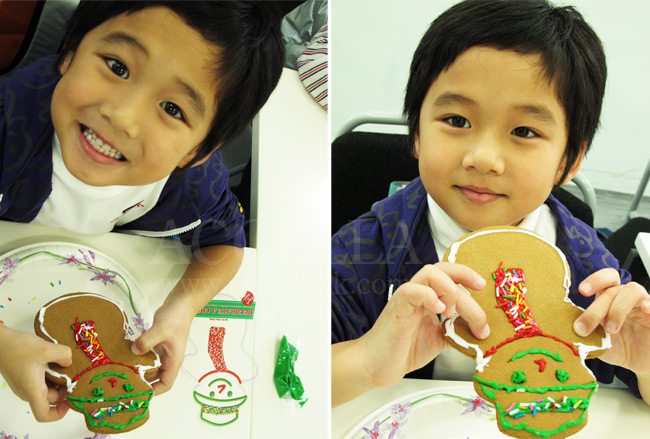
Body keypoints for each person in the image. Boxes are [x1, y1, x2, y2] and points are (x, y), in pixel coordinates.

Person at [331, 0, 650, 407]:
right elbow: (294, 375)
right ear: (415, 133)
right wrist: (365, 361)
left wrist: (646, 366)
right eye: (457, 121)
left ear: (568, 160)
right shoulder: (366, 252)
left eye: (523, 130)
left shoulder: (586, 264)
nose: (482, 157)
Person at [0, 1, 284, 422]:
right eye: (117, 66)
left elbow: (226, 242)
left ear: (198, 151)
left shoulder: (191, 181)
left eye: (172, 109)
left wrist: (181, 308)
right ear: (70, 52)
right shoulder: (9, 119)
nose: (123, 117)